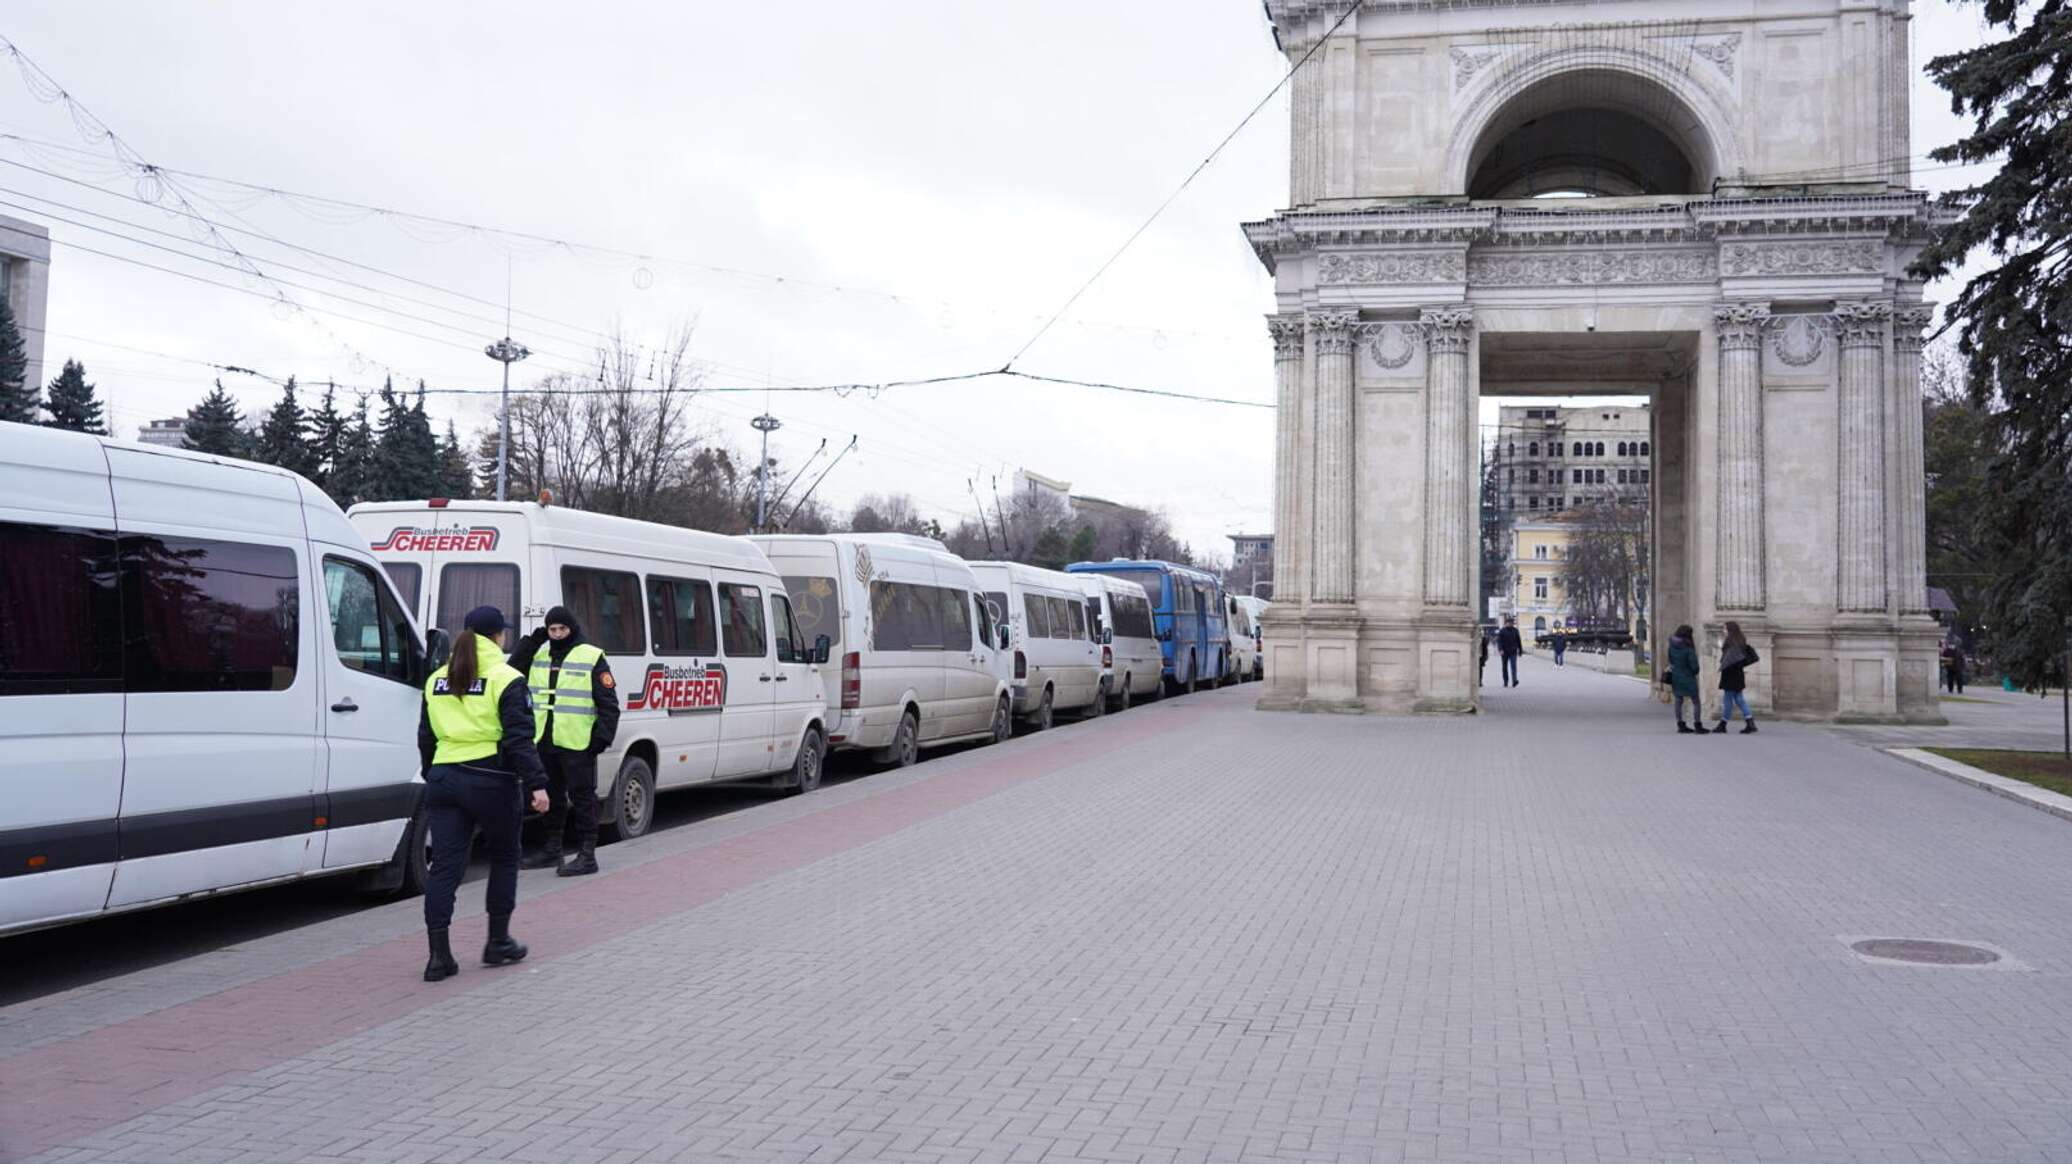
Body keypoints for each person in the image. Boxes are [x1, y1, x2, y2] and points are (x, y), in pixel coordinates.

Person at [418, 606, 549, 982]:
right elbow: (519, 738)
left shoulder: (438, 677)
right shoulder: (506, 677)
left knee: (445, 868)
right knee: (505, 858)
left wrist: (434, 773)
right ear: (497, 636)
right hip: (490, 779)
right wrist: (538, 784)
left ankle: (438, 958)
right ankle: (497, 942)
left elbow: (425, 737)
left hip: (444, 778)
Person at [510, 606, 621, 877]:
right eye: (552, 630)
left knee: (583, 798)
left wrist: (600, 740)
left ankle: (587, 855)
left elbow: (609, 705)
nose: (557, 635)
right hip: (544, 739)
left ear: (572, 628)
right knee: (551, 797)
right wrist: (531, 641)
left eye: (562, 629)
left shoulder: (591, 655)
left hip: (578, 742)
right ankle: (552, 849)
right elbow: (511, 672)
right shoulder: (539, 653)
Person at [1713, 621, 1759, 734]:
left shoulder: (1730, 643)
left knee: (1728, 699)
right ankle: (1750, 723)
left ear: (1730, 630)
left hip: (1730, 674)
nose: (1724, 631)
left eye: (1725, 629)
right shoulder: (1740, 641)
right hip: (1738, 674)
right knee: (1739, 699)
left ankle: (1723, 725)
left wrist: (1722, 647)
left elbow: (1727, 660)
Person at [1668, 624, 1703, 734]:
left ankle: (1680, 724)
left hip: (1676, 677)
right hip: (1688, 677)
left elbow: (1671, 661)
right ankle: (1698, 725)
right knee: (1696, 701)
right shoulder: (1688, 648)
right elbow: (1695, 667)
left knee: (1678, 701)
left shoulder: (1672, 646)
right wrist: (1694, 672)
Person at [1496, 616, 1523, 688]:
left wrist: (1520, 650)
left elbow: (1519, 641)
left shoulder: (1515, 630)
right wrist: (1500, 650)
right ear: (1506, 623)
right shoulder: (1502, 631)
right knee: (1504, 667)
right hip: (1504, 652)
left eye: (1511, 623)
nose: (1510, 624)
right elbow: (1499, 641)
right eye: (1509, 623)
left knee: (1513, 667)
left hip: (1513, 651)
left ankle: (1514, 681)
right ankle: (1505, 681)